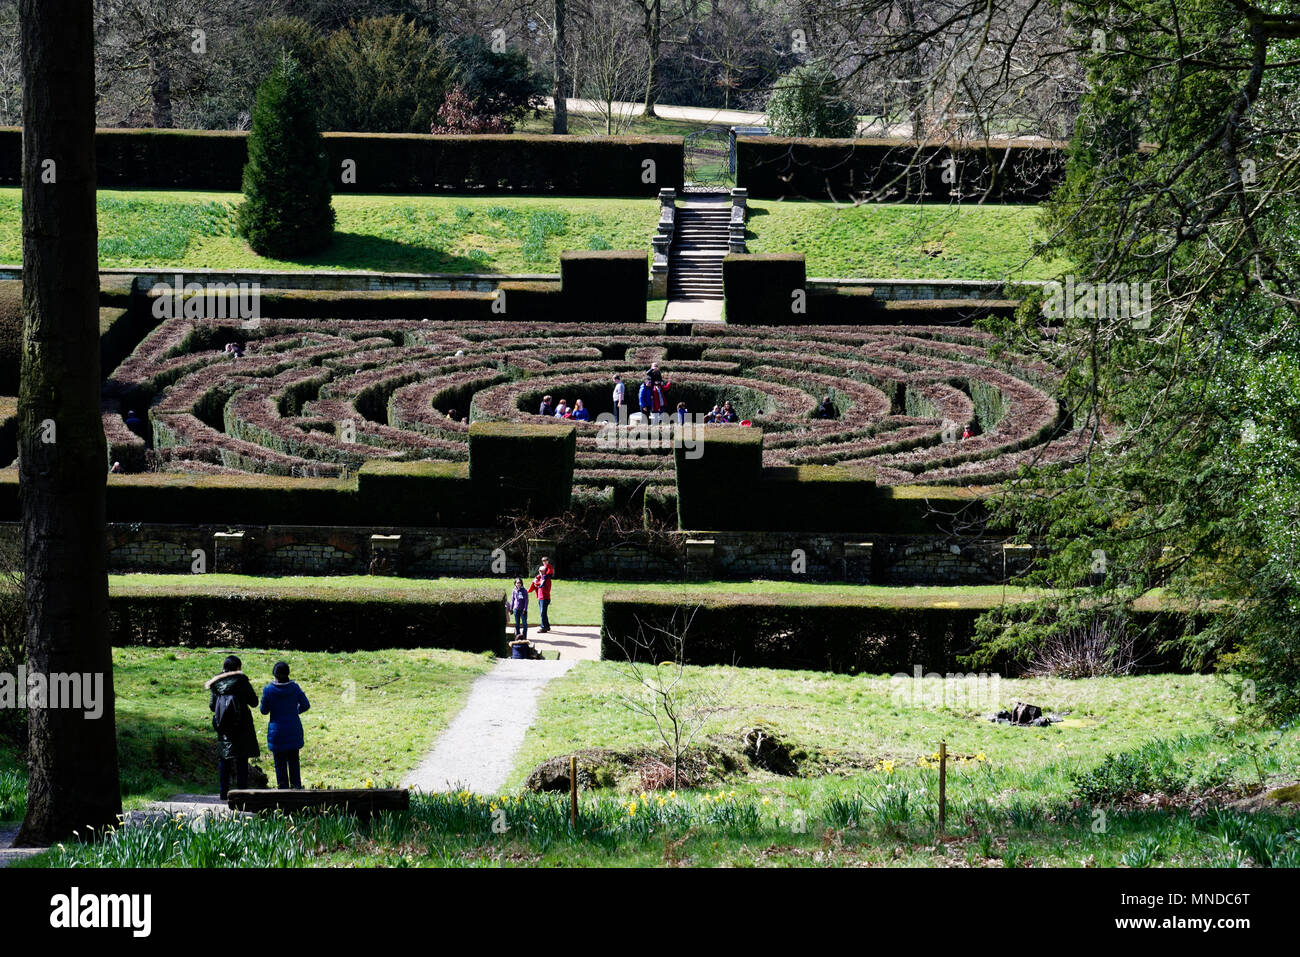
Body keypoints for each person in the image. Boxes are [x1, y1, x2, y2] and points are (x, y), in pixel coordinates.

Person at [207, 655, 260, 799]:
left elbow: (212, 706)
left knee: (224, 759)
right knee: (242, 759)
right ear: (237, 667)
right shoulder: (242, 681)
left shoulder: (216, 682)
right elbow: (254, 702)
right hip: (242, 725)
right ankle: (241, 793)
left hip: (224, 725)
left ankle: (223, 793)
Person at [259, 661, 311, 790]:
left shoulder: (268, 689)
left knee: (280, 766)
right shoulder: (294, 687)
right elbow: (306, 705)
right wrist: (294, 712)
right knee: (294, 764)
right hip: (293, 729)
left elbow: (263, 710)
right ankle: (297, 793)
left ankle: (282, 796)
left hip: (277, 732)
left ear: (274, 674)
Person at [528, 557, 554, 632]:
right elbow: (535, 583)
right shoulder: (541, 577)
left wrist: (536, 583)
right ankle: (547, 626)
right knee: (543, 613)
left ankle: (543, 627)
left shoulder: (546, 579)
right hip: (541, 597)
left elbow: (541, 583)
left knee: (542, 613)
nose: (540, 572)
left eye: (542, 571)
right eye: (539, 570)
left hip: (545, 598)